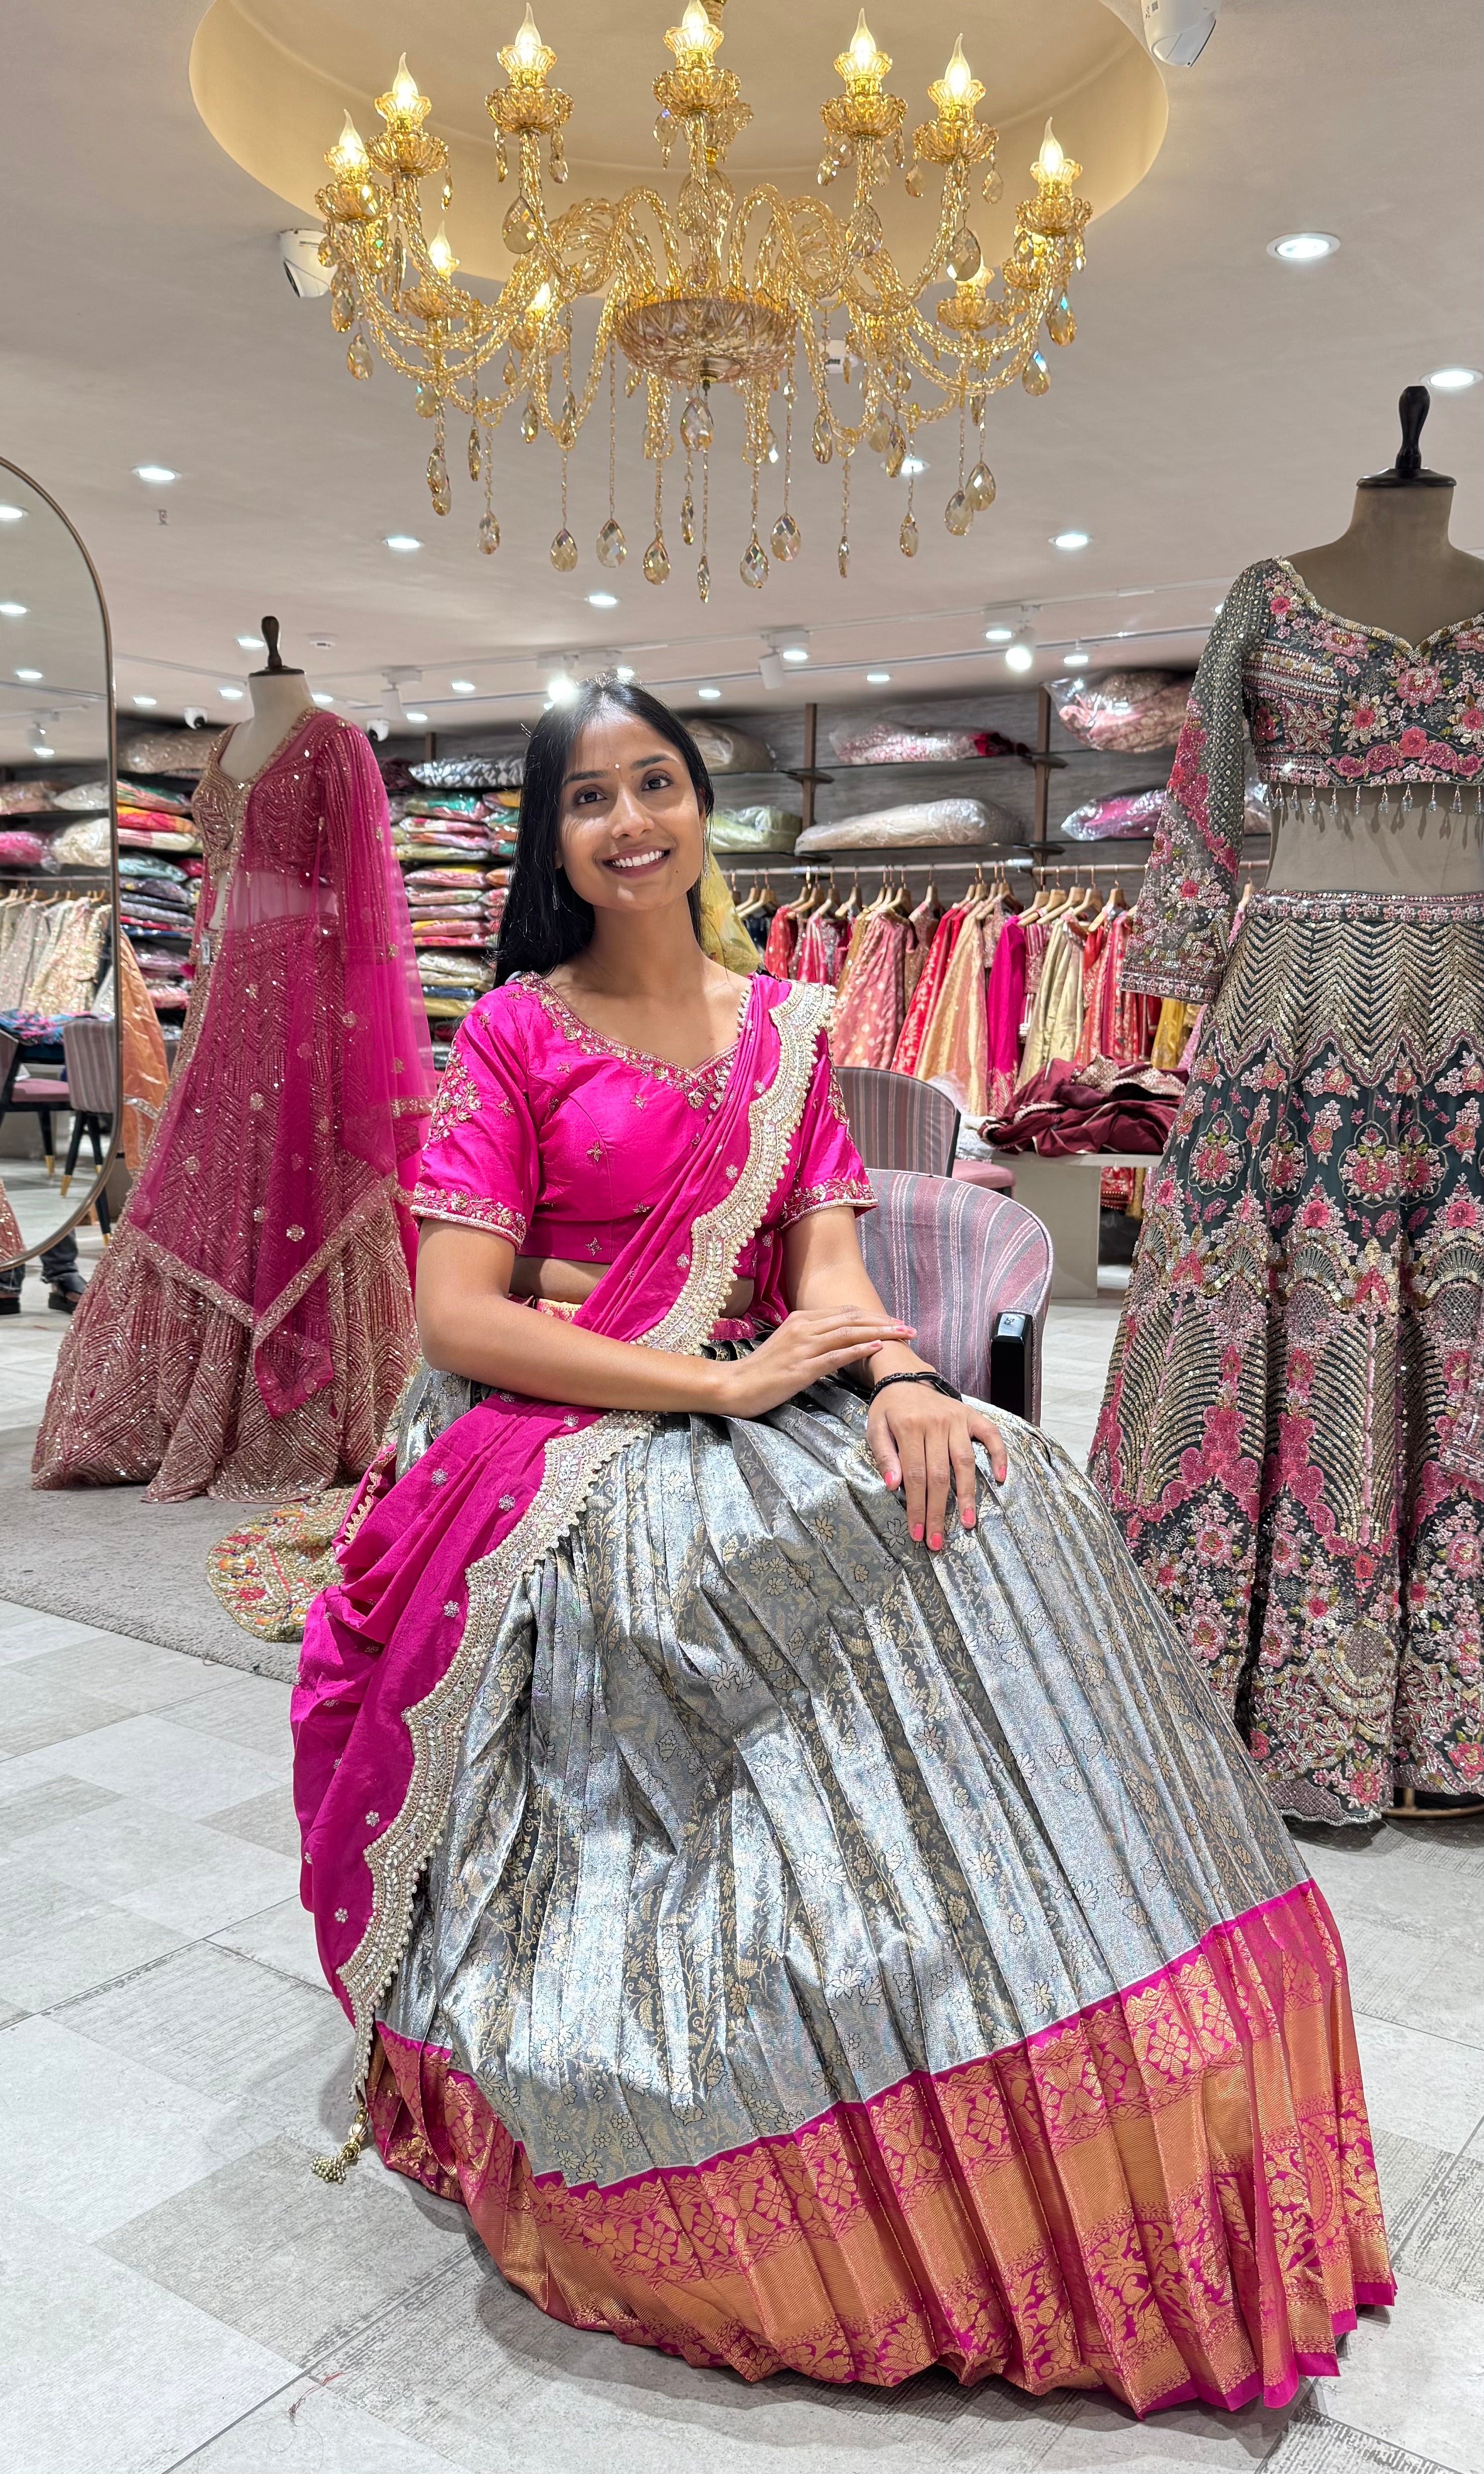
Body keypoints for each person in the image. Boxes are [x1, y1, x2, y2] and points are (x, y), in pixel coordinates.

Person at [292, 682, 1391, 2416]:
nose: (632, 822)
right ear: (552, 838)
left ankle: (1039, 1990)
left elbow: (823, 1273)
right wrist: (713, 1387)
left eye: (657, 783)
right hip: (561, 1422)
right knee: (685, 1576)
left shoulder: (791, 1026)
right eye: (590, 797)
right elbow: (459, 1319)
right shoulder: (511, 1030)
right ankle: (792, 2039)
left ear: (697, 806)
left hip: (766, 1372)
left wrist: (902, 1379)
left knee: (1004, 1492)